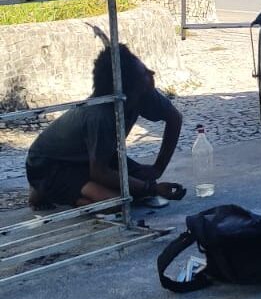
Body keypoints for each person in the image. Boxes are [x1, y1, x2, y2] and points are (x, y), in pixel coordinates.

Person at [26, 44, 185, 209]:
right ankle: (45, 190)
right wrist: (151, 189)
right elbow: (100, 172)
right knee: (118, 202)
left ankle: (80, 188)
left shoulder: (144, 93)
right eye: (144, 73)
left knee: (142, 182)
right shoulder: (100, 114)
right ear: (129, 89)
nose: (152, 74)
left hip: (89, 158)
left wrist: (157, 169)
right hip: (51, 164)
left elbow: (174, 118)